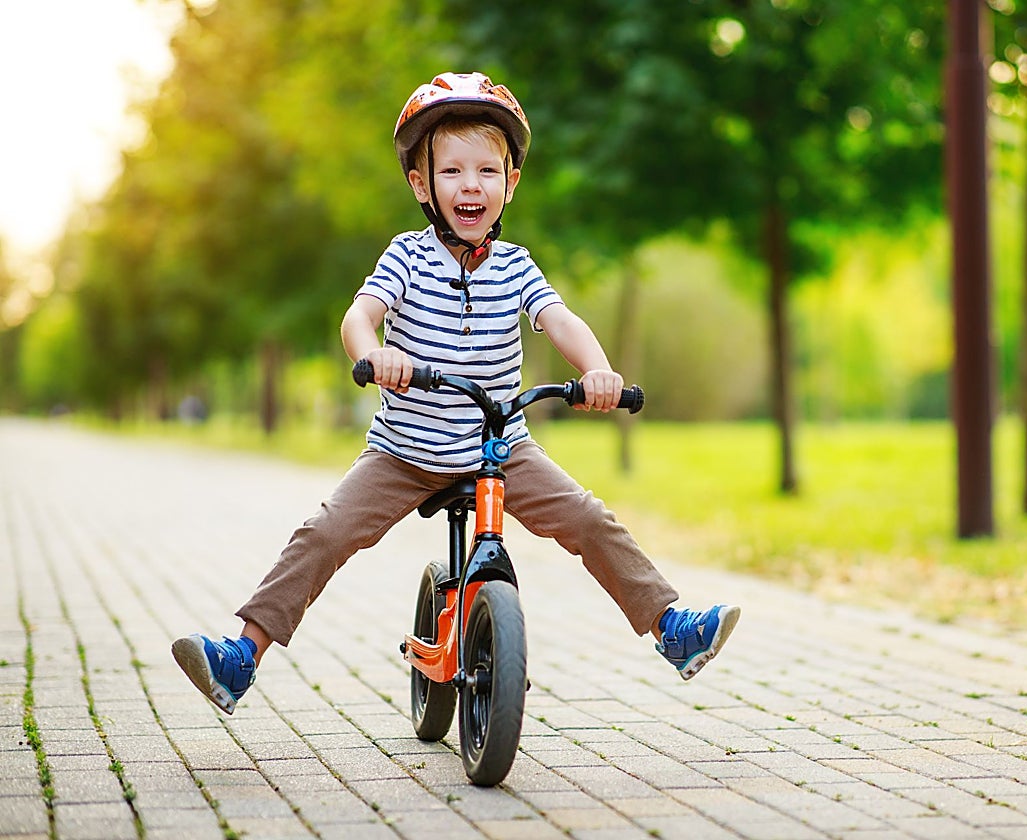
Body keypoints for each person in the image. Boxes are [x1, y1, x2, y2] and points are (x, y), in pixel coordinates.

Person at [172, 72, 740, 716]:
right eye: (452, 172)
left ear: (510, 183)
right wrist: (374, 354)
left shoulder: (517, 265)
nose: (471, 185)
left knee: (589, 519)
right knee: (324, 533)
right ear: (423, 185)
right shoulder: (407, 258)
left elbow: (560, 322)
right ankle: (242, 655)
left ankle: (671, 628)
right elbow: (359, 318)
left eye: (487, 171)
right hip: (404, 451)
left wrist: (599, 370)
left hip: (500, 449)